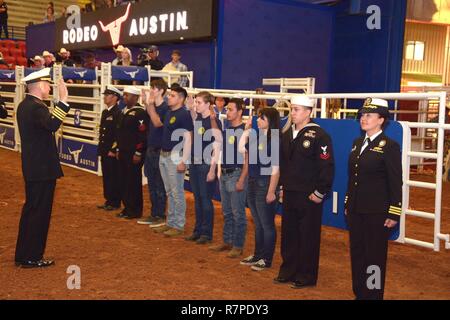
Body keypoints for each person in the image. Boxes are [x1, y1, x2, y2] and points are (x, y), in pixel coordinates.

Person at [345, 98, 402, 300]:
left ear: (381, 119)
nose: (363, 118)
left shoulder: (389, 146)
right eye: (362, 114)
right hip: (356, 210)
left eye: (369, 115)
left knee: (374, 258)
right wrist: (348, 203)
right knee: (358, 253)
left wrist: (394, 211)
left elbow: (396, 181)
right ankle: (360, 293)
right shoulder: (357, 143)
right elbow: (353, 177)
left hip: (377, 213)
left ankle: (373, 295)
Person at [274, 96, 335, 289]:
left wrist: (319, 191)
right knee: (289, 234)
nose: (292, 113)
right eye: (292, 109)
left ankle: (306, 275)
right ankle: (288, 270)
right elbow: (284, 164)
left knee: (308, 235)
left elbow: (327, 166)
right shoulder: (287, 134)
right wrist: (282, 187)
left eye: (297, 109)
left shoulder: (320, 135)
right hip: (291, 192)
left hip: (309, 195)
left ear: (309, 112)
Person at [15, 68, 70, 268]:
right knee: (39, 213)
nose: (49, 87)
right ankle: (32, 256)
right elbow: (52, 124)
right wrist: (64, 101)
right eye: (47, 84)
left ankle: (23, 254)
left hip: (34, 168)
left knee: (31, 210)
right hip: (42, 169)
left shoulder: (25, 105)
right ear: (39, 86)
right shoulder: (36, 108)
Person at [239, 107, 280, 271]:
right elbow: (241, 148)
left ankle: (266, 258)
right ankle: (258, 255)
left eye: (262, 118)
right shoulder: (257, 137)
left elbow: (276, 169)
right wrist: (247, 130)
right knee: (258, 223)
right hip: (254, 181)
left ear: (270, 121)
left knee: (266, 224)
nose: (258, 120)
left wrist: (271, 190)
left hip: (265, 183)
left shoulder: (275, 139)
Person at [209, 98, 248, 258]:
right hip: (225, 173)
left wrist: (242, 179)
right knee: (227, 211)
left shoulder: (246, 130)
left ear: (240, 112)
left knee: (238, 212)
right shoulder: (228, 129)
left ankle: (238, 245)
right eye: (227, 109)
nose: (227, 112)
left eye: (230, 109)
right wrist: (212, 118)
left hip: (236, 173)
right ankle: (228, 241)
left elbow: (248, 159)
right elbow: (217, 138)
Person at [152, 85, 193, 237]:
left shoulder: (184, 114)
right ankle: (171, 222)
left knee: (177, 192)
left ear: (181, 98)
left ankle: (179, 224)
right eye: (169, 94)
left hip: (175, 156)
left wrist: (183, 160)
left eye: (173, 95)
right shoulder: (169, 112)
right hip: (164, 155)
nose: (169, 97)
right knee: (170, 191)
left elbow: (189, 138)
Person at [184, 91, 222, 244]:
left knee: (205, 199)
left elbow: (217, 146)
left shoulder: (214, 122)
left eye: (199, 102)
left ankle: (206, 233)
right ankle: (198, 230)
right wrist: (190, 106)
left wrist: (212, 169)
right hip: (195, 162)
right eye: (196, 102)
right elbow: (193, 115)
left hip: (206, 163)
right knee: (198, 198)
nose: (196, 105)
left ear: (208, 105)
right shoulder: (198, 117)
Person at [138, 79, 169, 227]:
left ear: (161, 91)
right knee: (151, 183)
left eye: (154, 88)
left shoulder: (165, 108)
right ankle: (154, 213)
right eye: (151, 88)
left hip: (160, 151)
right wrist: (147, 104)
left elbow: (157, 123)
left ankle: (160, 214)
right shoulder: (154, 107)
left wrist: (148, 104)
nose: (151, 90)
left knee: (159, 184)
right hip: (151, 149)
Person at [116, 86, 149, 219]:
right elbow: (120, 133)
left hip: (133, 153)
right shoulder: (124, 111)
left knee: (133, 182)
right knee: (124, 180)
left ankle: (135, 210)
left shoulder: (140, 113)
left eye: (127, 95)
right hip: (123, 151)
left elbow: (142, 134)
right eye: (124, 95)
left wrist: (139, 152)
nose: (124, 97)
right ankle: (127, 207)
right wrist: (118, 148)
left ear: (135, 97)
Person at [97, 86, 122, 212]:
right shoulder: (105, 112)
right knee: (107, 176)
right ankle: (109, 200)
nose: (105, 97)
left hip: (111, 151)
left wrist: (113, 149)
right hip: (104, 150)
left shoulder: (118, 113)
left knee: (113, 176)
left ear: (115, 97)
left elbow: (118, 134)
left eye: (108, 95)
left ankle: (115, 201)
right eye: (105, 95)